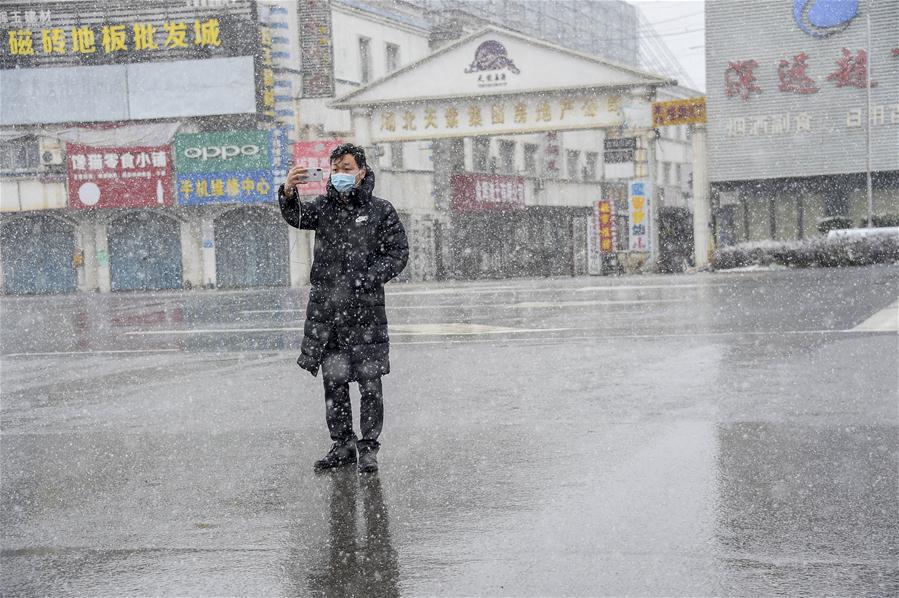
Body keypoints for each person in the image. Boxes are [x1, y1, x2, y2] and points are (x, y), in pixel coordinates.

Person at [278, 143, 408, 474]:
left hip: (365, 314)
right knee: (334, 382)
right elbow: (297, 216)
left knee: (369, 383)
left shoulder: (381, 211)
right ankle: (343, 444)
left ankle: (368, 448)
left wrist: (366, 278)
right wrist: (288, 191)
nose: (340, 175)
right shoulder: (323, 207)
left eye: (347, 169)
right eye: (335, 169)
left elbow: (397, 253)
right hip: (329, 315)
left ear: (362, 171)